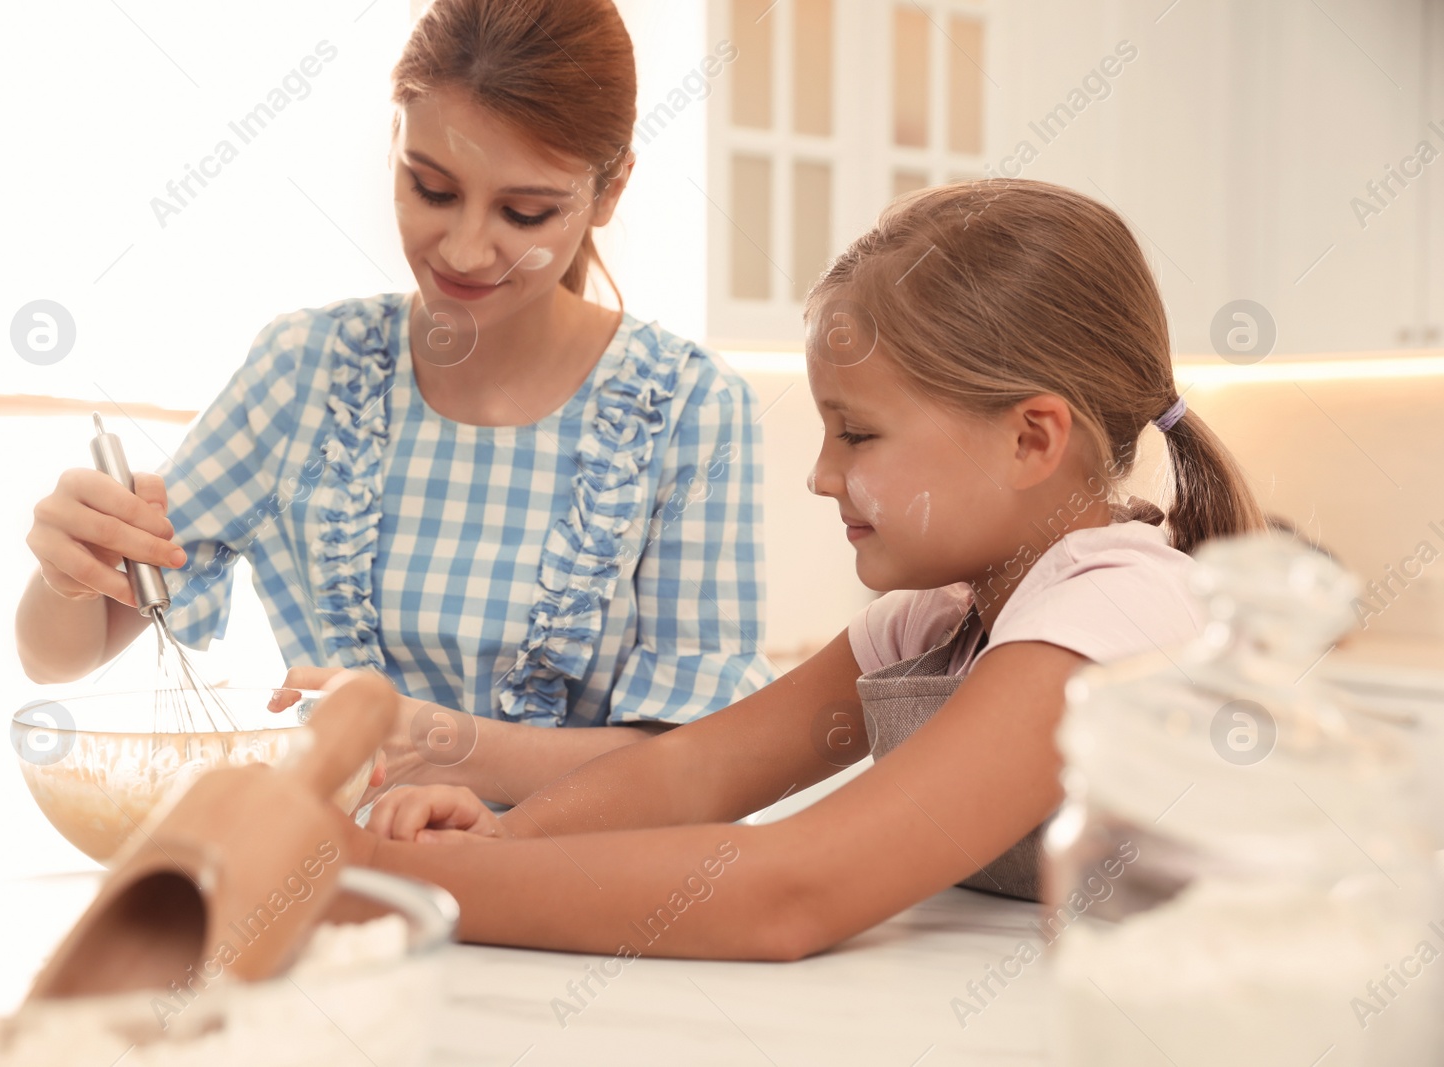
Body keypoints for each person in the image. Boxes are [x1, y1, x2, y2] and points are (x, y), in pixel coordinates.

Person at [343, 179, 1268, 960]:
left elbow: (796, 889)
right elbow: (699, 772)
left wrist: (386, 879)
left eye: (858, 434)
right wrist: (504, 835)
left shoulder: (1113, 614)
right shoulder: (944, 618)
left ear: (1031, 438)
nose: (823, 475)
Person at [14, 0, 774, 804]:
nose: (464, 249)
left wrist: (443, 745)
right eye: (432, 188)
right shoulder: (306, 372)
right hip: (339, 883)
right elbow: (61, 653)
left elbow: (700, 764)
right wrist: (68, 573)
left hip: (573, 904)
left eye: (524, 213)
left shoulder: (689, 410)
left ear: (611, 187)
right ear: (394, 142)